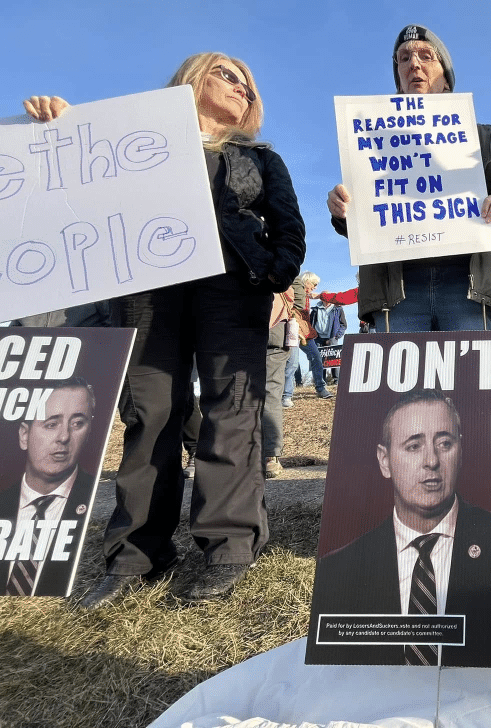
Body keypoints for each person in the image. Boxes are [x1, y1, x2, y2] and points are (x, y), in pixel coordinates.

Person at [26, 51, 307, 608]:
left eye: (249, 85)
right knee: (151, 411)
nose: (243, 88)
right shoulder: (129, 145)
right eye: (230, 75)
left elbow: (288, 225)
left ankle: (228, 546)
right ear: (192, 77)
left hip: (233, 287)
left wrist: (277, 272)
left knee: (231, 410)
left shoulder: (260, 157)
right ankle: (136, 553)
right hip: (150, 290)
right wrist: (58, 132)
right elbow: (78, 196)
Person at [306, 389, 491, 667]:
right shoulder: (339, 570)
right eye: (413, 446)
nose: (432, 460)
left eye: (445, 444)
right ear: (384, 461)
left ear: (461, 450)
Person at [326, 24, 491, 332]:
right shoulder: (374, 138)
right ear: (399, 79)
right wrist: (342, 211)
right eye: (403, 58)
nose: (413, 64)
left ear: (446, 79)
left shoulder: (479, 136)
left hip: (467, 288)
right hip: (398, 292)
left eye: (426, 56)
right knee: (403, 382)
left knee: (470, 379)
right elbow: (366, 220)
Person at [1, 379, 96, 596]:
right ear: (24, 435)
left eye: (77, 423)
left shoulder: (88, 498)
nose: (64, 437)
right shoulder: (2, 500)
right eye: (51, 424)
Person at [263, 285, 295, 479]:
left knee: (240, 389)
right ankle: (270, 455)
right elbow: (295, 291)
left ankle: (267, 454)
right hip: (274, 325)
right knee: (271, 392)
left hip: (245, 326)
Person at [285, 272, 332, 400]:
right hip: (294, 330)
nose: (315, 287)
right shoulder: (292, 290)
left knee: (316, 357)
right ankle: (286, 395)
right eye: (314, 284)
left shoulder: (306, 297)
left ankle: (320, 388)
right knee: (292, 363)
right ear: (307, 281)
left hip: (306, 331)